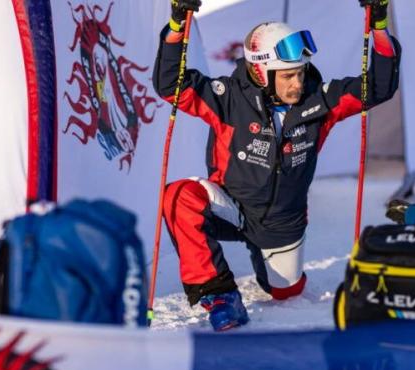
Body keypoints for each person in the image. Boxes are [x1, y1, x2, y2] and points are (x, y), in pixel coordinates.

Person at [153, 0, 401, 331]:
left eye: (299, 73)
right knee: (178, 195)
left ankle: (267, 262)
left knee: (284, 292)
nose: (296, 84)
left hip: (282, 221)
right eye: (286, 76)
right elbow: (171, 85)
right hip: (231, 206)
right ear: (260, 71)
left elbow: (379, 86)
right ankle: (220, 295)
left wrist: (379, 26)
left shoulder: (321, 100)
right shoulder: (227, 97)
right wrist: (177, 24)